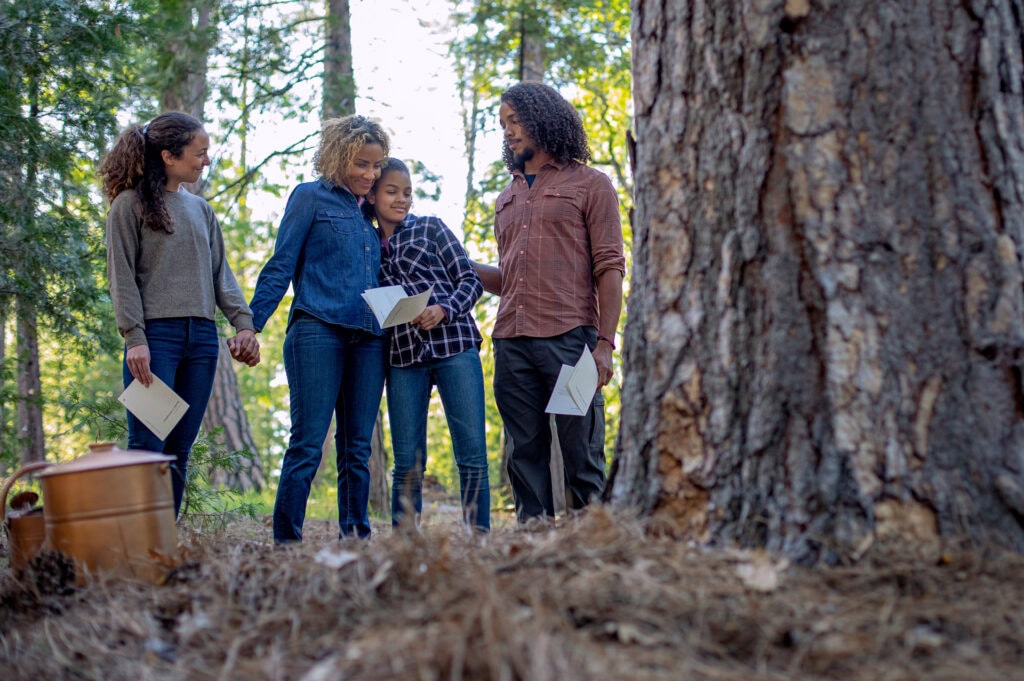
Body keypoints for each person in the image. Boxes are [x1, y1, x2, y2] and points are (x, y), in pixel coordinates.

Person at [473, 82, 625, 524]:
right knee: (524, 457)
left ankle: (591, 550)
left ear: (543, 117)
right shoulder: (507, 197)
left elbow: (609, 267)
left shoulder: (591, 185)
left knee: (582, 456)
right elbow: (510, 280)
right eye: (503, 124)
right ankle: (531, 545)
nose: (508, 131)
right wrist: (462, 265)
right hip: (512, 343)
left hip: (570, 340)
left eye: (515, 121)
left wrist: (604, 344)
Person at [100, 111, 261, 519]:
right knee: (148, 446)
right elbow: (122, 278)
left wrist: (244, 324)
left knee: (179, 449)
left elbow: (221, 275)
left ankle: (165, 542)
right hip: (157, 342)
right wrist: (135, 338)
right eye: (199, 153)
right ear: (169, 156)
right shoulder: (127, 205)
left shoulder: (201, 210)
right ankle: (137, 542)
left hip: (202, 342)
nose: (205, 160)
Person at [248, 115, 389, 543]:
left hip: (369, 339)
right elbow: (280, 265)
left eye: (376, 165)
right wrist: (249, 324)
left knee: (358, 450)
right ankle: (286, 540)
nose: (370, 174)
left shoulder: (376, 213)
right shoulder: (309, 198)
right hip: (317, 331)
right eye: (361, 164)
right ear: (338, 157)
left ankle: (356, 538)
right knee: (308, 444)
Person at [365, 158, 490, 533]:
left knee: (472, 455)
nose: (401, 199)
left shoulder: (431, 227)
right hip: (404, 357)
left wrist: (443, 308)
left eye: (407, 193)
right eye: (391, 192)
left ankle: (479, 539)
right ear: (371, 195)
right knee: (406, 461)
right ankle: (405, 541)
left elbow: (470, 280)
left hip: (455, 345)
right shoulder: (367, 245)